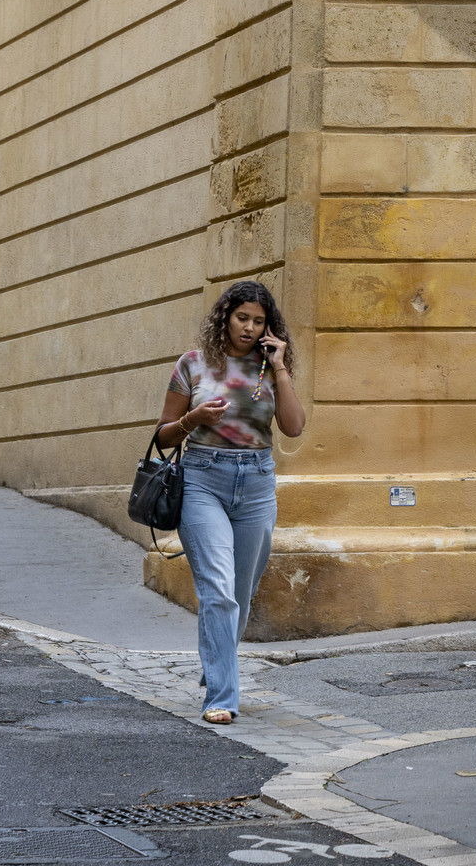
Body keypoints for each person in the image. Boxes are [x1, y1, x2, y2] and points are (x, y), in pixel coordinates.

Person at [153, 280, 306, 724]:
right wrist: (192, 419)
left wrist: (280, 368)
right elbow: (162, 436)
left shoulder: (268, 367)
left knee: (240, 592)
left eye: (259, 321)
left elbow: (294, 428)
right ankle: (222, 695)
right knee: (218, 589)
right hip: (202, 480)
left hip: (256, 483)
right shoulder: (194, 365)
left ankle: (217, 665)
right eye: (243, 318)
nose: (250, 328)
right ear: (226, 317)